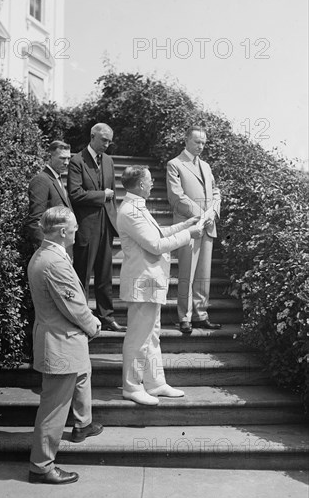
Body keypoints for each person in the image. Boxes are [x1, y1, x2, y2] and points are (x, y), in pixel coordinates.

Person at [27, 206, 102, 485]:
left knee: (79, 380)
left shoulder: (46, 254)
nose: (77, 231)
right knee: (54, 408)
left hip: (60, 340)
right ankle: (41, 466)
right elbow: (74, 306)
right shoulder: (55, 262)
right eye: (73, 227)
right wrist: (94, 325)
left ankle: (83, 424)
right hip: (61, 343)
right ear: (62, 232)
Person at [117, 166, 202, 406]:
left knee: (152, 335)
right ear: (141, 184)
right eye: (150, 180)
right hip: (143, 282)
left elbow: (158, 233)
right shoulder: (131, 210)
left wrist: (186, 226)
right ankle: (131, 387)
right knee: (138, 337)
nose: (153, 183)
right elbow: (155, 245)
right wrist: (190, 235)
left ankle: (155, 383)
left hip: (150, 281)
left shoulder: (136, 206)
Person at [67, 123, 125, 332]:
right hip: (86, 226)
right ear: (92, 136)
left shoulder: (108, 161)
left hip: (105, 225)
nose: (107, 145)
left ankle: (106, 317)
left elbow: (114, 196)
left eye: (109, 141)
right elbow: (74, 194)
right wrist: (102, 195)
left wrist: (114, 221)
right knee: (82, 274)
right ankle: (80, 319)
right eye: (104, 140)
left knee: (104, 274)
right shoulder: (76, 161)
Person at [166, 126, 222, 334]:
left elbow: (216, 191)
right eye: (197, 142)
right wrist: (201, 214)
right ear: (187, 140)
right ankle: (185, 317)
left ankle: (201, 315)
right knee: (187, 274)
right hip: (189, 226)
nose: (201, 146)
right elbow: (176, 196)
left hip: (208, 226)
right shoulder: (174, 164)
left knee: (203, 275)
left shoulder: (206, 166)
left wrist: (213, 212)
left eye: (204, 143)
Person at [25, 140, 72, 248]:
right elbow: (35, 221)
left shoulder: (57, 179)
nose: (66, 162)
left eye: (68, 158)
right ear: (50, 157)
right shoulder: (41, 180)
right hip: (51, 249)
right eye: (62, 158)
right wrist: (48, 248)